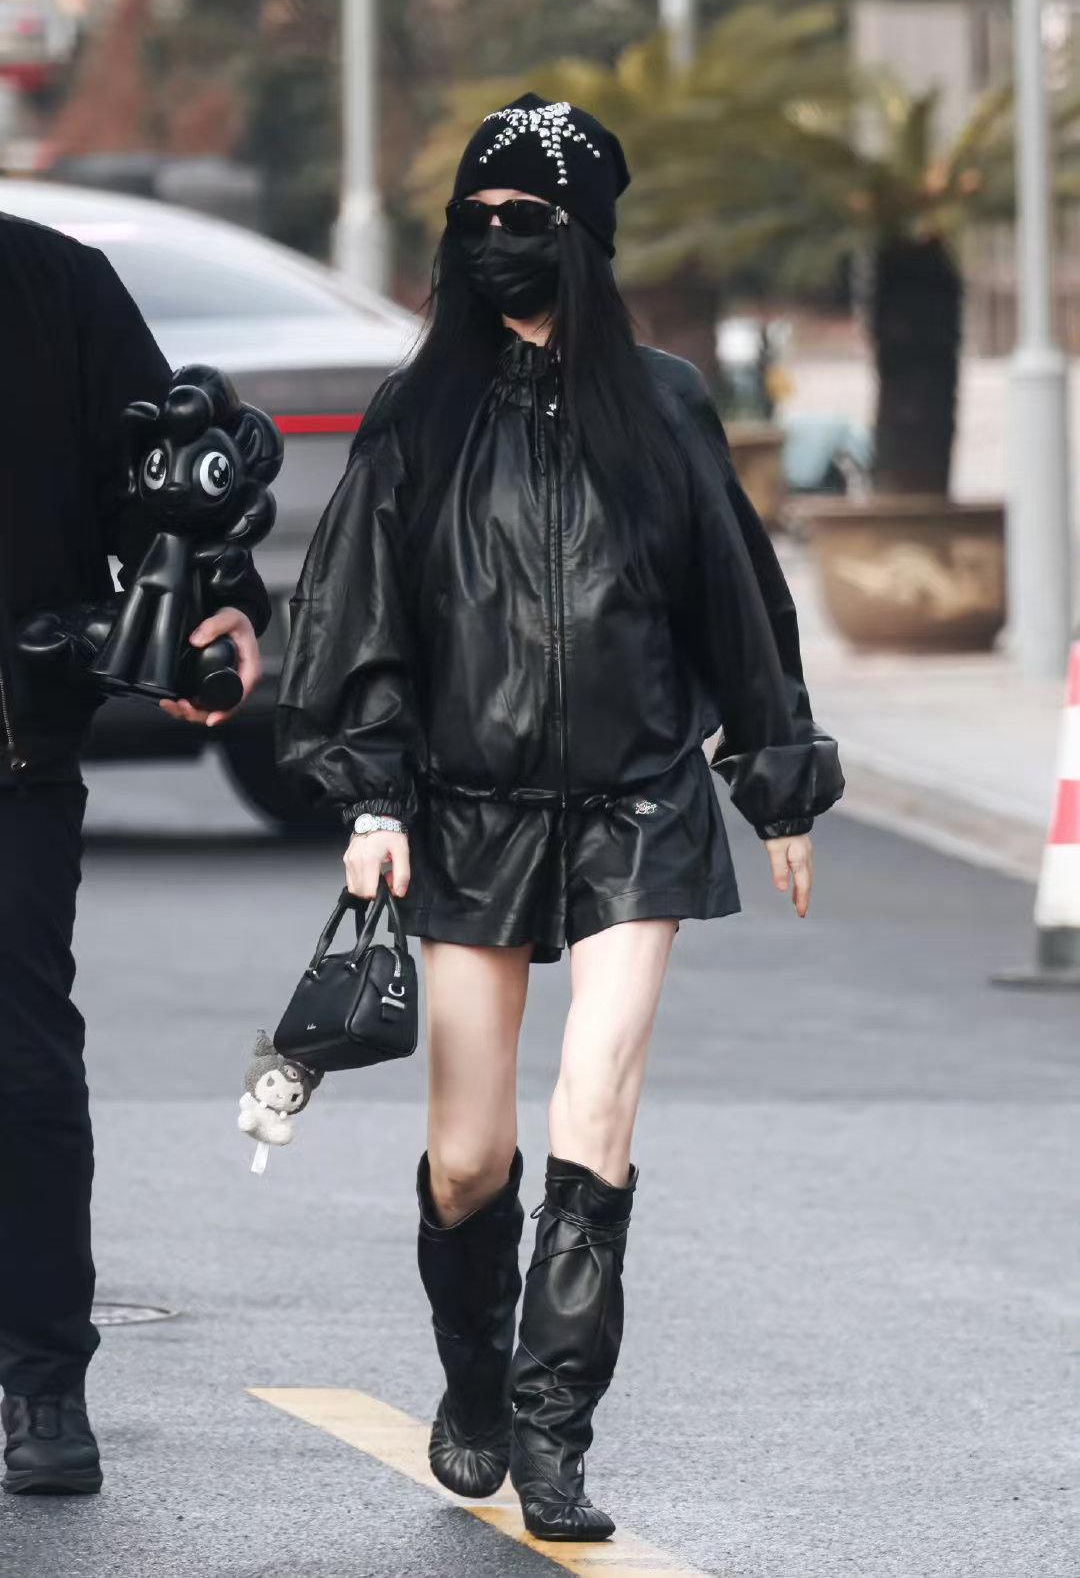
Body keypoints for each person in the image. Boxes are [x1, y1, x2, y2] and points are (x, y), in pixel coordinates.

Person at [277, 93, 844, 1542]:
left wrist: (777, 781)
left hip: (638, 808)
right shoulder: (421, 412)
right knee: (470, 1158)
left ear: (580, 235)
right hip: (467, 810)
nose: (493, 243)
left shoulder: (662, 403)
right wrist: (373, 797)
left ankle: (551, 1439)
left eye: (522, 220)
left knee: (597, 1108)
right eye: (471, 222)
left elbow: (735, 598)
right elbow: (356, 618)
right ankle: (474, 1387)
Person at [0, 212, 269, 1495]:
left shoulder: (56, 285)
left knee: (21, 1070)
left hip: (9, 757)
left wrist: (219, 608)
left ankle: (44, 1379)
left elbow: (161, 494)